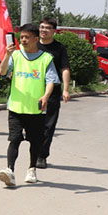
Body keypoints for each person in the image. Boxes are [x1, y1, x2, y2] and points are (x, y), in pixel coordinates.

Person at [0, 23, 59, 187]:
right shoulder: (15, 56)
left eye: (27, 37)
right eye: (21, 37)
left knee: (35, 141)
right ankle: (10, 171)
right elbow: (2, 72)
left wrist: (46, 96)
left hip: (36, 109)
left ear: (36, 39)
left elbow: (51, 80)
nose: (23, 40)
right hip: (16, 106)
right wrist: (7, 55)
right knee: (14, 139)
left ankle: (32, 169)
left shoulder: (46, 59)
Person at [37, 16, 71, 168]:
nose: (44, 30)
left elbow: (65, 69)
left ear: (54, 31)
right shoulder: (33, 45)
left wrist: (66, 89)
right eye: (42, 27)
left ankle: (42, 156)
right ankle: (34, 152)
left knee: (48, 126)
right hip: (33, 90)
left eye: (47, 28)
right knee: (33, 125)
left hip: (53, 92)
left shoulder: (59, 48)